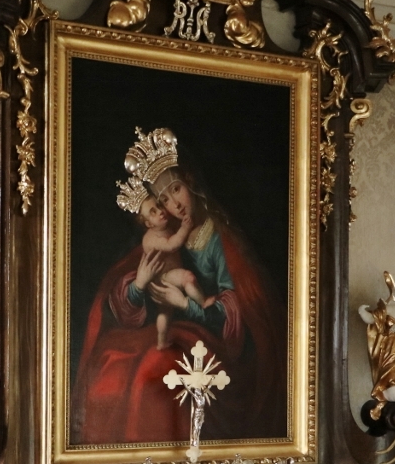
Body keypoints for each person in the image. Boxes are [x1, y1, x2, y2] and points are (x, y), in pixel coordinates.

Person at [71, 128, 286, 445]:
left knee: (155, 367)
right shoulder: (165, 233)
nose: (174, 204)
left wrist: (186, 305)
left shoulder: (217, 240)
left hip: (210, 343)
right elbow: (124, 290)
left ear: (190, 182)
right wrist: (139, 285)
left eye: (176, 189)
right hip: (169, 329)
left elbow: (235, 312)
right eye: (164, 201)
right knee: (112, 363)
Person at [135, 192, 214, 349]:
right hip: (164, 278)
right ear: (149, 224)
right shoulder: (151, 238)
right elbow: (171, 245)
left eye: (159, 206)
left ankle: (161, 342)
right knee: (188, 278)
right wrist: (185, 228)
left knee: (165, 312)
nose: (160, 211)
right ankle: (203, 302)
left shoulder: (163, 228)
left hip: (164, 277)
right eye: (153, 212)